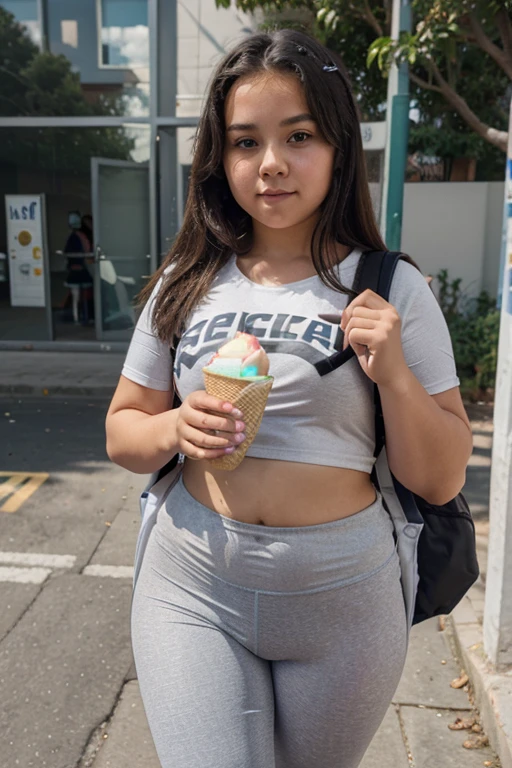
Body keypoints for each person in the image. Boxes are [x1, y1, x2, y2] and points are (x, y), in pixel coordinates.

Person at [105, 29, 473, 768]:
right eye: (245, 143)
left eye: (297, 136)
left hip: (343, 601)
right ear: (221, 157)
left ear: (337, 146)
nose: (270, 164)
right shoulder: (187, 277)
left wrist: (394, 372)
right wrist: (175, 426)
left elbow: (439, 479)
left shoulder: (391, 285)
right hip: (193, 583)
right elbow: (122, 431)